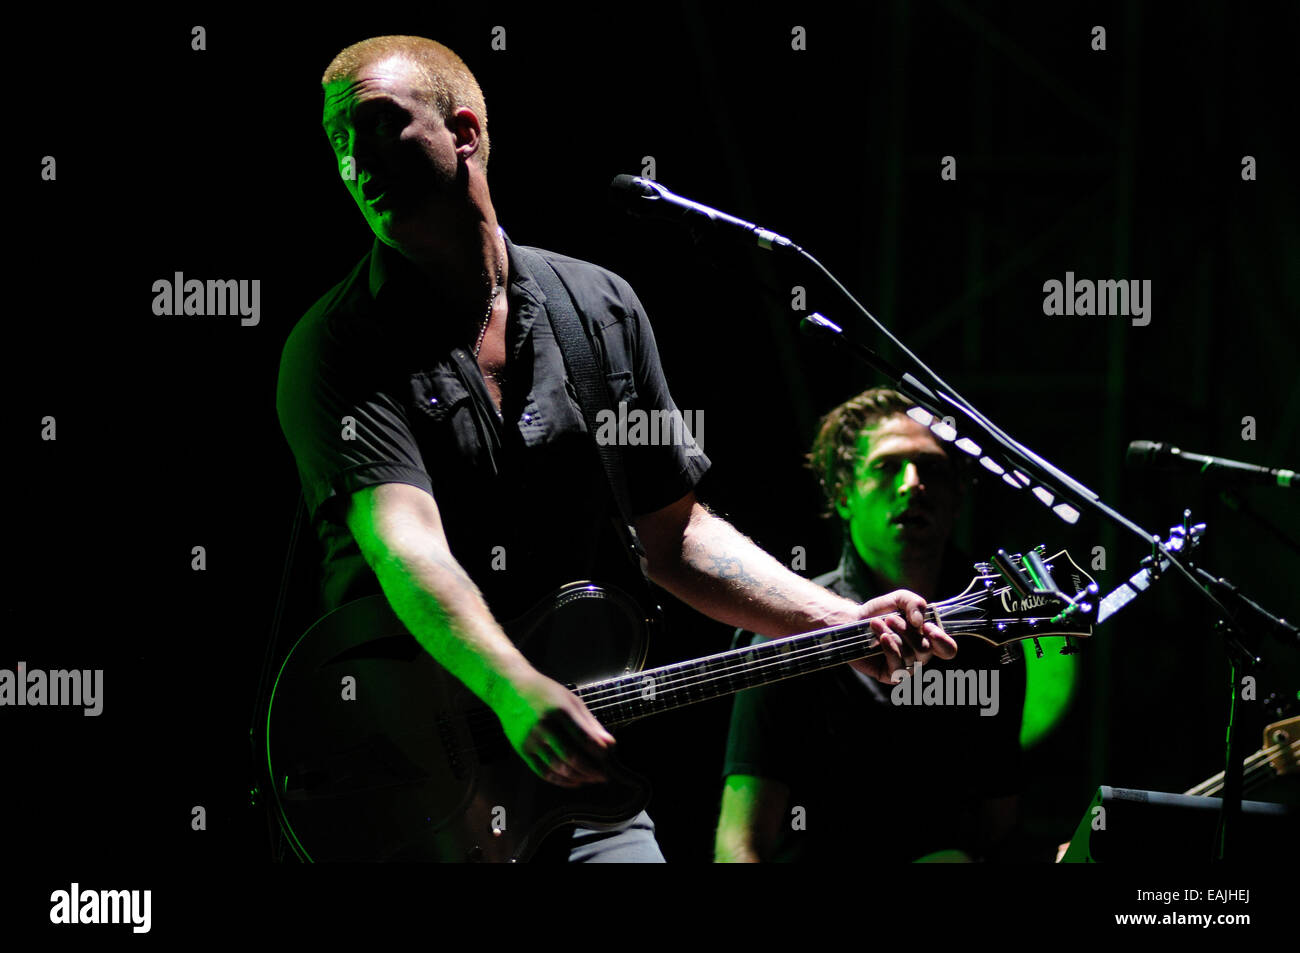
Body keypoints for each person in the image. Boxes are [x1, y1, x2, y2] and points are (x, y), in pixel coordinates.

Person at [276, 35, 955, 862]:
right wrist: (515, 686)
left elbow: (672, 531)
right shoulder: (338, 345)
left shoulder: (599, 309)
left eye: (379, 126)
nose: (356, 163)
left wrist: (838, 619)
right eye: (339, 145)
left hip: (570, 789)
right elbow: (406, 545)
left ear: (464, 131)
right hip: (400, 764)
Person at [716, 388, 1025, 862]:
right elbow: (740, 845)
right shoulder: (787, 635)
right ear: (843, 494)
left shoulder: (992, 640)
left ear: (959, 494)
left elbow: (997, 832)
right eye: (886, 466)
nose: (912, 483)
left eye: (934, 467)